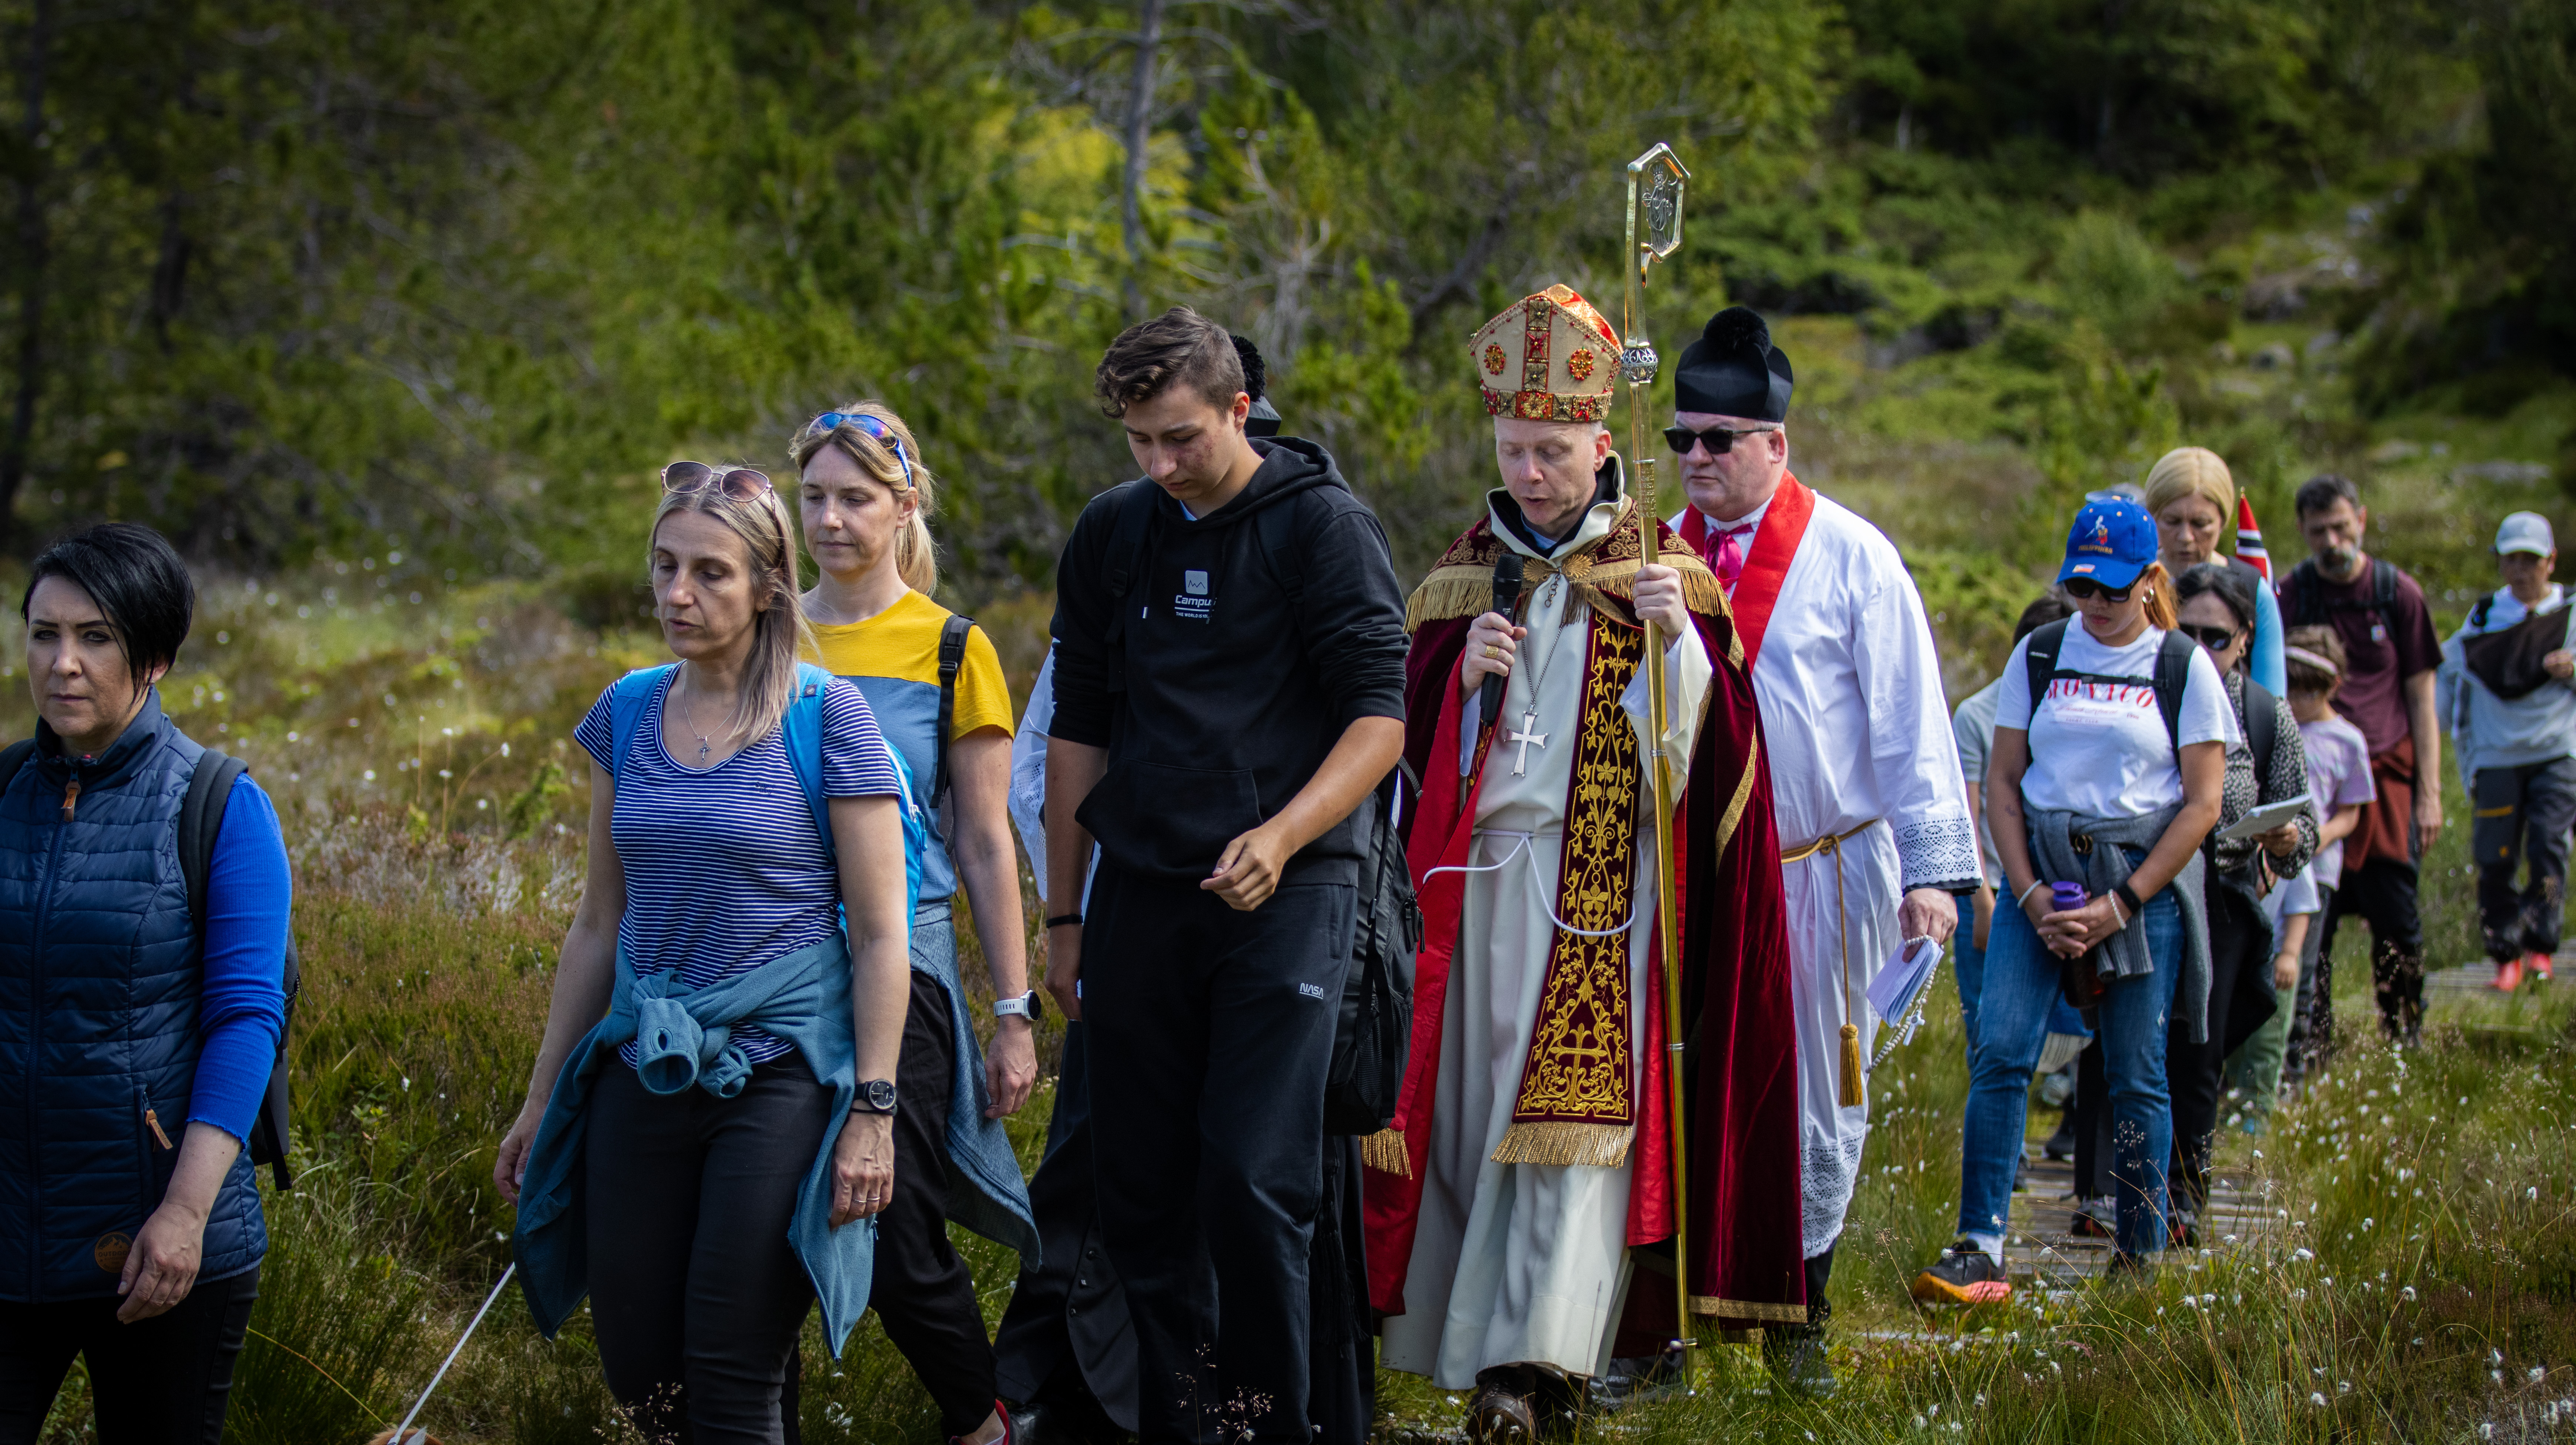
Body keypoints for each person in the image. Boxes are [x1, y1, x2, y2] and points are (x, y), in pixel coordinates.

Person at [1361, 285, 1801, 1431]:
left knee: (1573, 1128)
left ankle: (1538, 1368)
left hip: (1606, 892)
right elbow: (1399, 748)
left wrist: (1676, 644)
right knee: (1463, 1122)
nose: (1533, 474)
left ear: (1603, 446)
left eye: (1554, 451)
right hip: (1477, 885)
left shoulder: (1665, 572)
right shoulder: (1458, 580)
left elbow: (1720, 767)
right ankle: (1456, 1343)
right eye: (1514, 450)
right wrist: (1456, 689)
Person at [497, 465, 941, 1441]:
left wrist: (874, 1110)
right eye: (664, 568)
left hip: (780, 1072)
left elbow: (880, 935)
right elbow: (596, 922)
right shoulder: (627, 711)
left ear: (769, 586)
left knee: (733, 1372)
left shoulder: (830, 717)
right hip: (643, 1063)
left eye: (710, 573)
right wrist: (540, 1099)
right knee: (641, 1372)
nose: (678, 595)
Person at [995, 336, 1379, 1445]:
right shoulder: (1115, 529)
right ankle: (1191, 1421)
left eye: (1182, 438)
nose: (1160, 465)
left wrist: (1285, 832)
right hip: (1143, 889)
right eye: (1137, 442)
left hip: (1289, 890)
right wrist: (1063, 916)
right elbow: (1079, 727)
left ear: (1241, 410)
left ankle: (1279, 1421)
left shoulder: (1323, 526)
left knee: (1252, 1181)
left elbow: (1376, 719)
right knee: (1140, 1189)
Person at [1667, 307, 1975, 1362]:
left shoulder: (1852, 557)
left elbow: (1913, 722)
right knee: (1688, 1074)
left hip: (1819, 869)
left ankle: (1802, 1314)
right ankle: (1681, 1313)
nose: (1695, 460)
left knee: (1812, 1091)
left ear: (1775, 444)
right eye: (1681, 441)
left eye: (1717, 440)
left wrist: (1933, 878)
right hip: (1695, 875)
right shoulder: (1661, 558)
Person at [789, 402, 1045, 1444]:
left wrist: (1015, 1012)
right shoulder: (768, 630)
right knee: (759, 1227)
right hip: (780, 960)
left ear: (905, 505)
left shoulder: (951, 649)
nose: (833, 520)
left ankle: (980, 1424)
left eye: (857, 498)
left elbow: (985, 844)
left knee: (896, 1221)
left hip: (915, 969)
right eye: (814, 497)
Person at [0, 524, 290, 1444]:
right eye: (44, 634)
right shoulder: (2, 790)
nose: (64, 664)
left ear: (156, 656)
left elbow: (247, 1018)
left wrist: (184, 1210)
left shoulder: (219, 803)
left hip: (161, 1238)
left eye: (97, 637)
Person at [1914, 498, 2228, 1297]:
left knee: (2135, 1071)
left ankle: (2140, 1250)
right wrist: (2022, 891)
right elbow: (2004, 782)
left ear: (2151, 580)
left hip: (2136, 885)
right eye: (2082, 587)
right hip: (2041, 881)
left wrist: (2121, 903)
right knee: (2002, 1050)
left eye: (2114, 592)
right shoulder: (2042, 654)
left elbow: (2202, 804)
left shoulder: (2183, 666)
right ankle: (1979, 1238)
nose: (2095, 606)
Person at [2164, 563, 2315, 1244]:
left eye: (2215, 636)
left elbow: (2301, 830)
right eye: (2185, 630)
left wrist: (2284, 838)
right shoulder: (2149, 690)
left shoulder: (2263, 711)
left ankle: (2184, 1198)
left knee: (2200, 1049)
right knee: (2128, 1047)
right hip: (2147, 889)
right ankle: (2107, 1190)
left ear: (2246, 638)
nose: (2200, 647)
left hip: (2222, 897)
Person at [2278, 473, 2443, 1043]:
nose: (2331, 540)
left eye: (2341, 527)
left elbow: (2422, 697)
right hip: (2312, 780)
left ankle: (2404, 1036)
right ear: (2302, 530)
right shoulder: (2292, 594)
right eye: (2319, 531)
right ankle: (2312, 1046)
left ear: (2362, 521)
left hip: (2388, 773)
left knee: (2398, 917)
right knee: (2313, 919)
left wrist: (2431, 791)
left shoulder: (2400, 593)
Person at [2436, 511, 2576, 992]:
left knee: (2547, 848)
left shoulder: (2572, 615)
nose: (2521, 570)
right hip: (2496, 758)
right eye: (2512, 560)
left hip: (2557, 754)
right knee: (2494, 857)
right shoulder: (2481, 619)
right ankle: (2504, 955)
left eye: (2531, 560)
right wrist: (2447, 752)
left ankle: (2541, 947)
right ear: (2500, 563)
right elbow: (2445, 679)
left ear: (2551, 562)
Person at [2276, 627, 2375, 1079]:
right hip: (2273, 867)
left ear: (2332, 687)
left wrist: (2316, 838)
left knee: (2306, 964)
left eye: (2307, 691)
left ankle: (2296, 1067)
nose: (2297, 700)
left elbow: (2351, 813)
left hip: (2318, 872)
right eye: (2291, 687)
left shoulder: (2348, 740)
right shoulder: (2277, 724)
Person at [2144, 447, 2287, 697]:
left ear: (2223, 523)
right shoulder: (2130, 585)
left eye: (2201, 524)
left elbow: (2272, 702)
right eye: (2172, 521)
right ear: (2153, 517)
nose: (2186, 537)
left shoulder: (2252, 590)